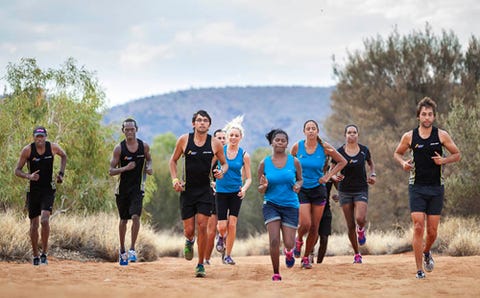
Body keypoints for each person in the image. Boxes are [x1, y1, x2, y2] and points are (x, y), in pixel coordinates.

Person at [393, 97, 461, 279]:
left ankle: (426, 251)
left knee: (432, 232)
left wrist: (443, 160)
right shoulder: (409, 136)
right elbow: (397, 153)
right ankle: (419, 270)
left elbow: (457, 154)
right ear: (418, 116)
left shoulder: (441, 135)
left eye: (430, 114)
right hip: (416, 187)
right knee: (417, 227)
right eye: (424, 114)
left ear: (434, 117)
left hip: (436, 188)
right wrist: (403, 163)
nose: (427, 117)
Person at [169, 110, 228, 278]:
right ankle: (189, 240)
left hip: (205, 191)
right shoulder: (184, 140)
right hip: (187, 190)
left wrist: (221, 172)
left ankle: (200, 264)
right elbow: (173, 160)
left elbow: (224, 164)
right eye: (199, 120)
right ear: (193, 123)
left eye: (205, 120)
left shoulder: (215, 143)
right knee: (189, 230)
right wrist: (175, 180)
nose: (202, 123)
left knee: (202, 226)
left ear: (209, 125)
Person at [290, 120, 346, 269]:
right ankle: (299, 239)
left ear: (317, 131)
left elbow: (342, 161)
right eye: (308, 128)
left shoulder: (324, 147)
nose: (310, 131)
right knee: (306, 223)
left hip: (319, 190)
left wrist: (328, 176)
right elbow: (290, 164)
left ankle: (306, 258)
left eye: (313, 128)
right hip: (302, 189)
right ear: (304, 131)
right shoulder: (297, 147)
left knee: (315, 227)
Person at [15, 126, 67, 266]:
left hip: (48, 189)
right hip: (33, 191)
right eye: (37, 136)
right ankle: (35, 255)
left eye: (42, 136)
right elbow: (17, 170)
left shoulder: (53, 147)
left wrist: (61, 174)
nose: (40, 139)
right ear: (33, 137)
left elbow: (64, 155)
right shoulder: (28, 150)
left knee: (44, 220)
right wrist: (29, 176)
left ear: (45, 136)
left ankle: (44, 253)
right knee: (34, 224)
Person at [258, 129, 303, 281]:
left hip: (290, 205)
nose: (280, 142)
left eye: (283, 140)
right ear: (272, 142)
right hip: (271, 204)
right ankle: (276, 272)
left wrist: (298, 185)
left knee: (289, 242)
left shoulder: (294, 161)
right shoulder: (264, 163)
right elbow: (260, 188)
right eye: (277, 140)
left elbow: (300, 179)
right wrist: (263, 187)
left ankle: (289, 251)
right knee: (274, 240)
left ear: (287, 143)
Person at [109, 118, 153, 266]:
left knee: (135, 217)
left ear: (136, 129)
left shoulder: (143, 146)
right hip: (122, 190)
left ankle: (132, 249)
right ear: (123, 131)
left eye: (132, 129)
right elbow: (111, 171)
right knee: (123, 220)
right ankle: (122, 251)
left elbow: (149, 160)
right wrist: (125, 168)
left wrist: (149, 168)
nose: (129, 132)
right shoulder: (119, 149)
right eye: (126, 129)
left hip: (137, 189)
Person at [332, 124, 376, 264]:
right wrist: (333, 177)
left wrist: (373, 174)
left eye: (354, 132)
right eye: (349, 132)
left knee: (360, 218)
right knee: (350, 225)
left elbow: (371, 164)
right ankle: (357, 254)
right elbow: (331, 169)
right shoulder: (339, 152)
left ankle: (361, 229)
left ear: (358, 134)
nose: (352, 135)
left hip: (361, 188)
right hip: (344, 190)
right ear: (345, 135)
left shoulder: (364, 150)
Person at [214, 116, 252, 265]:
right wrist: (212, 179)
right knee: (222, 226)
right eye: (231, 135)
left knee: (232, 223)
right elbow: (210, 168)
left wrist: (244, 189)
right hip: (221, 191)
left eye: (236, 135)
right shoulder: (219, 151)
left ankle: (228, 255)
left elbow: (249, 178)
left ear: (241, 137)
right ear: (227, 137)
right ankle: (221, 236)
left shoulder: (244, 155)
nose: (234, 138)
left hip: (236, 192)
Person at [204, 129, 226, 265]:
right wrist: (210, 182)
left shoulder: (233, 155)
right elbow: (204, 171)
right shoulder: (211, 156)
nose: (222, 140)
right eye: (219, 138)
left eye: (224, 138)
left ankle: (226, 256)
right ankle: (206, 259)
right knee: (211, 230)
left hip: (229, 194)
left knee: (226, 226)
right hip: (213, 194)